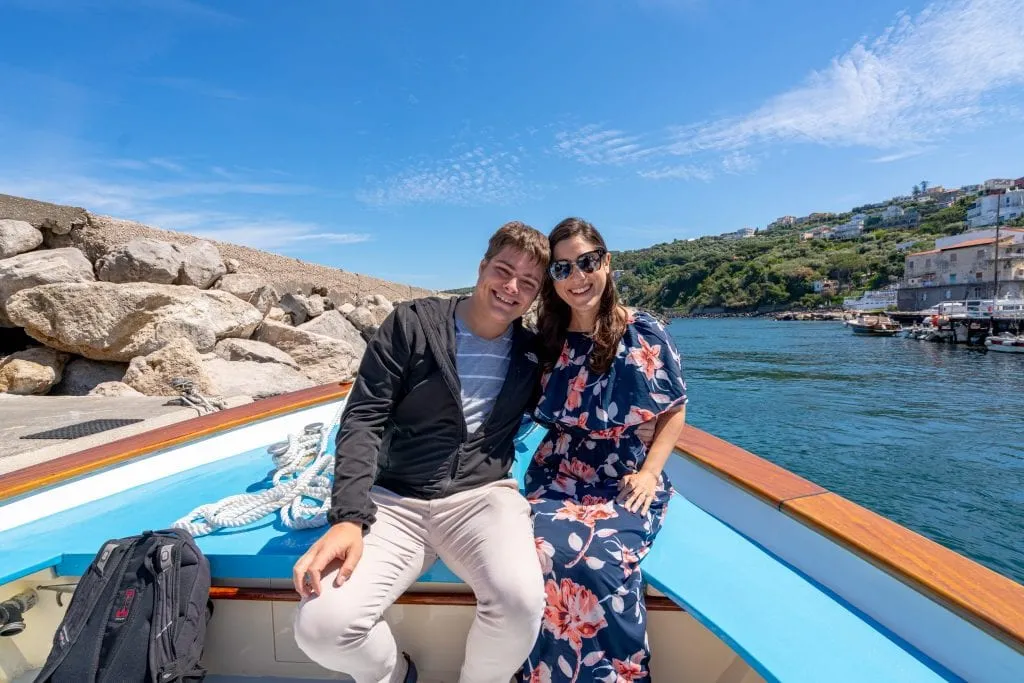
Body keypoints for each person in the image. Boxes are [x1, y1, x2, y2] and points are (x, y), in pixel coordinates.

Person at [292, 221, 552, 683]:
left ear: (535, 297)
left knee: (522, 602)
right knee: (321, 628)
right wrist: (349, 516)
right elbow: (363, 418)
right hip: (395, 500)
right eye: (503, 270)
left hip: (482, 498)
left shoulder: (532, 353)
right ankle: (394, 674)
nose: (511, 287)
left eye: (528, 283)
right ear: (481, 267)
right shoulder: (412, 324)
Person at [518, 217, 689, 683]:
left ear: (607, 263)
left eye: (587, 262)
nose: (577, 277)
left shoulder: (644, 331)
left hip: (625, 474)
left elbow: (673, 410)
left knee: (599, 559)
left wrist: (651, 473)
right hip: (557, 474)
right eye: (562, 269)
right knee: (528, 550)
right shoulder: (550, 340)